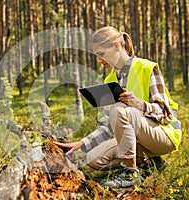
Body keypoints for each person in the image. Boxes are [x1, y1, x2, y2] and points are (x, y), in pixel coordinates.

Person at [54, 26, 182, 188]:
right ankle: (148, 163)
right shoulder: (110, 79)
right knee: (94, 160)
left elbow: (166, 114)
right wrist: (81, 143)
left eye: (101, 54)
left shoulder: (147, 67)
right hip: (136, 139)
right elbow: (107, 126)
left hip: (162, 136)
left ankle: (130, 172)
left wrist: (138, 104)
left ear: (116, 45)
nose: (99, 61)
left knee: (120, 108)